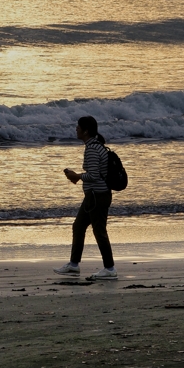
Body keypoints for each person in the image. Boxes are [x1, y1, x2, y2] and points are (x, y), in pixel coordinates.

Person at [53, 115, 117, 280]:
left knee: (99, 231)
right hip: (93, 196)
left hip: (97, 196)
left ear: (86, 131)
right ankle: (74, 265)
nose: (76, 129)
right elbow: (96, 174)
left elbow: (94, 175)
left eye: (78, 127)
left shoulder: (92, 149)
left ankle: (109, 268)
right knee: (78, 226)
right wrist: (78, 177)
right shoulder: (96, 146)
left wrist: (78, 176)